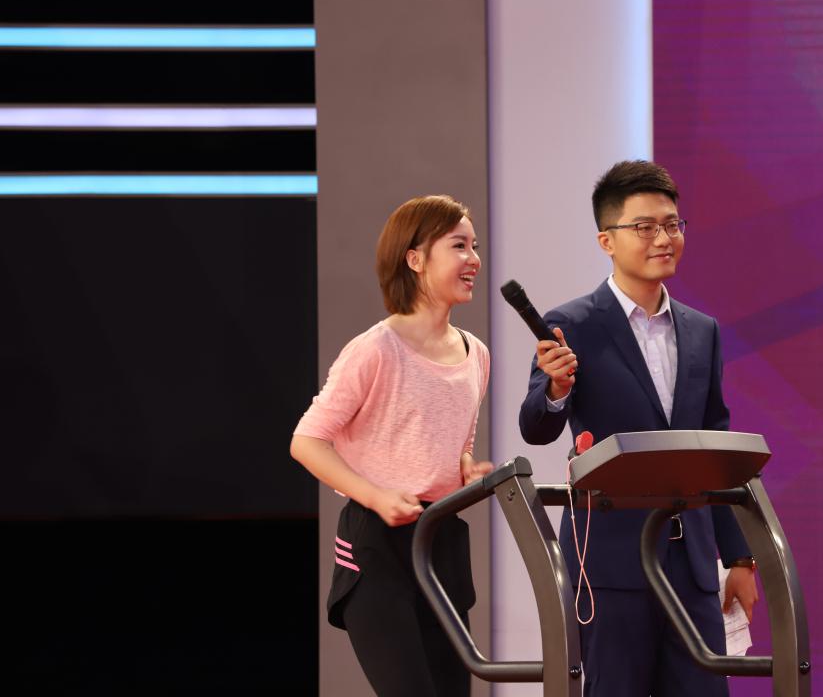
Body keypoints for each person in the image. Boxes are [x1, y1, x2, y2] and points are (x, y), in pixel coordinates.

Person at [518, 160, 759, 696]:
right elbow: (535, 426)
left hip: (692, 566)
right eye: (645, 227)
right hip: (607, 564)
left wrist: (739, 556)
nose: (664, 239)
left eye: (672, 225)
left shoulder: (702, 330)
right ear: (607, 240)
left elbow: (715, 444)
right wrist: (555, 389)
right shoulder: (572, 324)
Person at [291, 194, 492, 697]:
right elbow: (307, 441)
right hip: (376, 546)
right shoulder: (375, 349)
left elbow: (456, 440)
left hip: (442, 542)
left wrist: (467, 469)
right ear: (415, 259)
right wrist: (377, 497)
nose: (473, 259)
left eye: (475, 246)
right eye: (459, 246)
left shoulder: (476, 353)